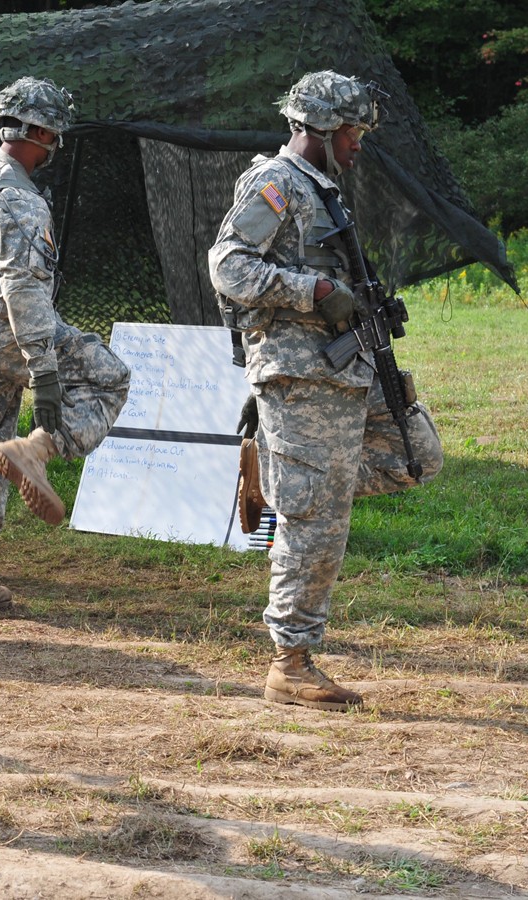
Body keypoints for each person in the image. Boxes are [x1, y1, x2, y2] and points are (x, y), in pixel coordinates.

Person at [209, 71, 443, 711]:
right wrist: (311, 291)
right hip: (301, 373)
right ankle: (290, 661)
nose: (358, 145)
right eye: (353, 132)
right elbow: (228, 265)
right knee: (317, 517)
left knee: (415, 453)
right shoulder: (277, 184)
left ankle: (276, 472)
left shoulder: (322, 188)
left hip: (347, 364)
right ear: (322, 127)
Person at [0, 77, 130, 614]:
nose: (54, 147)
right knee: (110, 377)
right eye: (53, 135)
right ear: (42, 131)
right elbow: (22, 286)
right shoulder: (21, 198)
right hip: (8, 328)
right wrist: (44, 371)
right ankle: (38, 448)